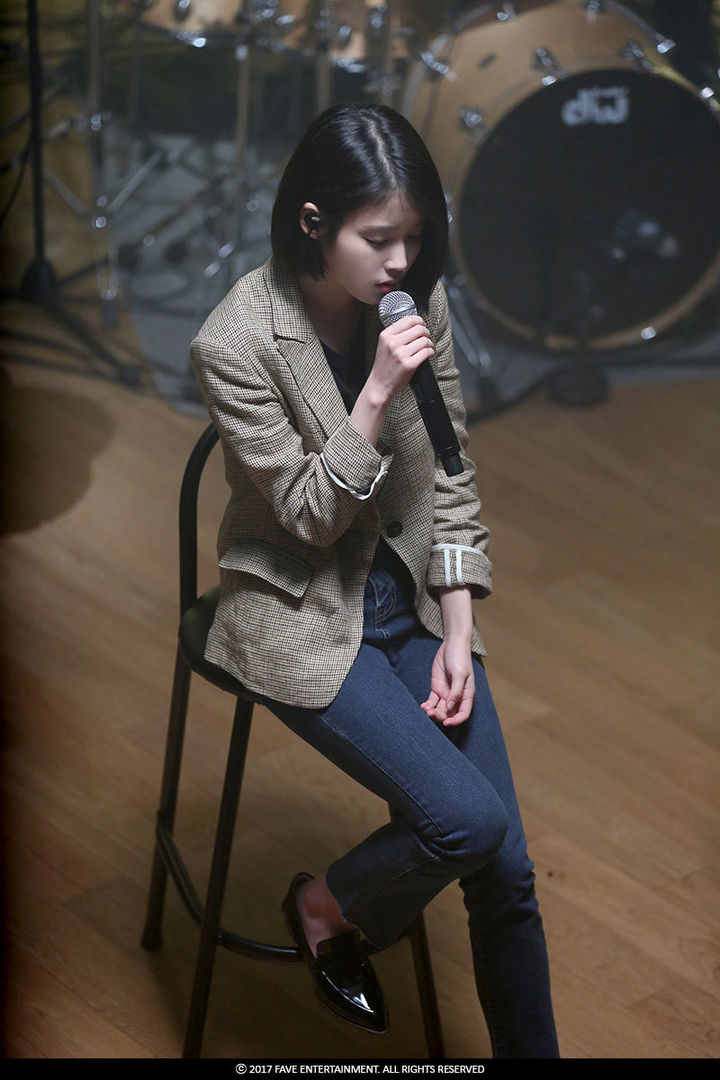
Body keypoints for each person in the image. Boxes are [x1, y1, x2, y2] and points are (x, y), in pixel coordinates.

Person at [190, 104, 559, 1058]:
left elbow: (450, 473)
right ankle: (328, 904)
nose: (401, 263)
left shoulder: (415, 299)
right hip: (304, 606)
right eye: (379, 239)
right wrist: (377, 391)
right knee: (468, 823)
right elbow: (310, 515)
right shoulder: (236, 341)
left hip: (414, 602)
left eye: (416, 238)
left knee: (508, 871)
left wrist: (459, 629)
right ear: (314, 222)